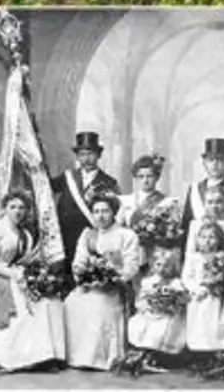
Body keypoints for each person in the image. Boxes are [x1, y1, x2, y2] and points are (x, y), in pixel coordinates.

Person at [0, 189, 68, 371]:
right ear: (4, 209)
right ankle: (10, 356)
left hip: (17, 275)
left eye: (22, 208)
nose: (18, 211)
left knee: (45, 302)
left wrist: (34, 275)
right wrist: (15, 274)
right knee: (17, 312)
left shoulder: (25, 233)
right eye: (13, 207)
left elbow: (26, 260)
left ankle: (41, 356)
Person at [63, 193, 142, 370]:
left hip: (114, 287)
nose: (100, 215)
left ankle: (98, 358)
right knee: (70, 303)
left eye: (105, 211)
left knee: (98, 306)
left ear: (113, 212)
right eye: (96, 211)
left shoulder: (126, 235)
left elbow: (132, 265)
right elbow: (79, 261)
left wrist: (114, 278)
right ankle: (77, 357)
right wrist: (82, 274)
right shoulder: (88, 235)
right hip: (90, 285)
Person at [51, 131, 121, 278]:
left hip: (91, 239)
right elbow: (45, 188)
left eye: (91, 154)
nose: (86, 159)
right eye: (82, 154)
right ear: (77, 156)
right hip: (65, 238)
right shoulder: (67, 177)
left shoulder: (109, 182)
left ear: (98, 155)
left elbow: (115, 214)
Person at [183, 220, 224, 354]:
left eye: (211, 237)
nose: (207, 241)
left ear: (219, 239)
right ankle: (203, 349)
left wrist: (223, 280)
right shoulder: (193, 258)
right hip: (202, 296)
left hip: (222, 295)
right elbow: (187, 277)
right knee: (203, 322)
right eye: (203, 237)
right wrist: (196, 289)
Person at [118, 153, 182, 287]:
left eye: (150, 176)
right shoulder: (125, 201)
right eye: (141, 176)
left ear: (157, 177)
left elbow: (172, 233)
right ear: (135, 178)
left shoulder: (167, 203)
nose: (145, 180)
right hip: (132, 254)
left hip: (155, 254)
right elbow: (119, 229)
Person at [128, 249, 189, 372]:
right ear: (153, 265)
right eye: (159, 265)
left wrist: (172, 304)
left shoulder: (176, 283)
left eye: (167, 265)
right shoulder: (148, 282)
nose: (162, 269)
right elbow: (141, 299)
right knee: (142, 327)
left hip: (167, 314)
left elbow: (183, 299)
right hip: (151, 312)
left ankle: (155, 358)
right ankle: (143, 357)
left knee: (161, 329)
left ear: (173, 267)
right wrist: (147, 307)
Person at [184, 186, 224, 283]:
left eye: (219, 202)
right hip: (200, 275)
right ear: (204, 204)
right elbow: (190, 253)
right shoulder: (196, 225)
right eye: (210, 202)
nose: (214, 206)